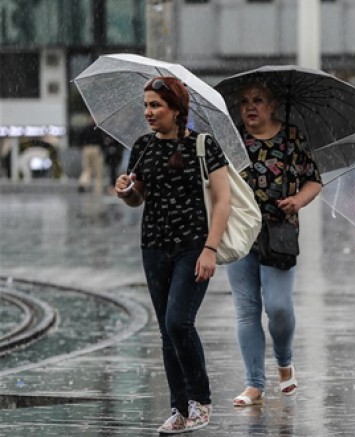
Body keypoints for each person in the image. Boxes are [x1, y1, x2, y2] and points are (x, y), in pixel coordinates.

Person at [114, 76, 229, 433]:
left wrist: (210, 249)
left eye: (156, 106)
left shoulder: (203, 146)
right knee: (166, 331)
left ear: (176, 109)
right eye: (146, 105)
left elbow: (222, 200)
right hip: (153, 248)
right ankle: (179, 408)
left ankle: (201, 401)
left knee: (179, 322)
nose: (148, 112)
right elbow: (139, 199)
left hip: (192, 247)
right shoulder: (143, 146)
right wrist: (126, 191)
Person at [226, 82, 322, 406]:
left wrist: (298, 200)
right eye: (243, 102)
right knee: (247, 310)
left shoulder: (292, 136)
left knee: (278, 306)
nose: (250, 107)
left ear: (273, 106)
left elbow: (314, 179)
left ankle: (284, 361)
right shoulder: (232, 139)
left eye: (257, 101)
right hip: (239, 233)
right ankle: (254, 384)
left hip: (280, 233)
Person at [77, 122, 105, 193]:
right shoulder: (98, 129)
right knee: (98, 172)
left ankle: (83, 183)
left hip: (86, 149)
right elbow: (102, 140)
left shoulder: (86, 128)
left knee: (87, 169)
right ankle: (98, 190)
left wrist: (82, 146)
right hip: (96, 149)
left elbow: (79, 137)